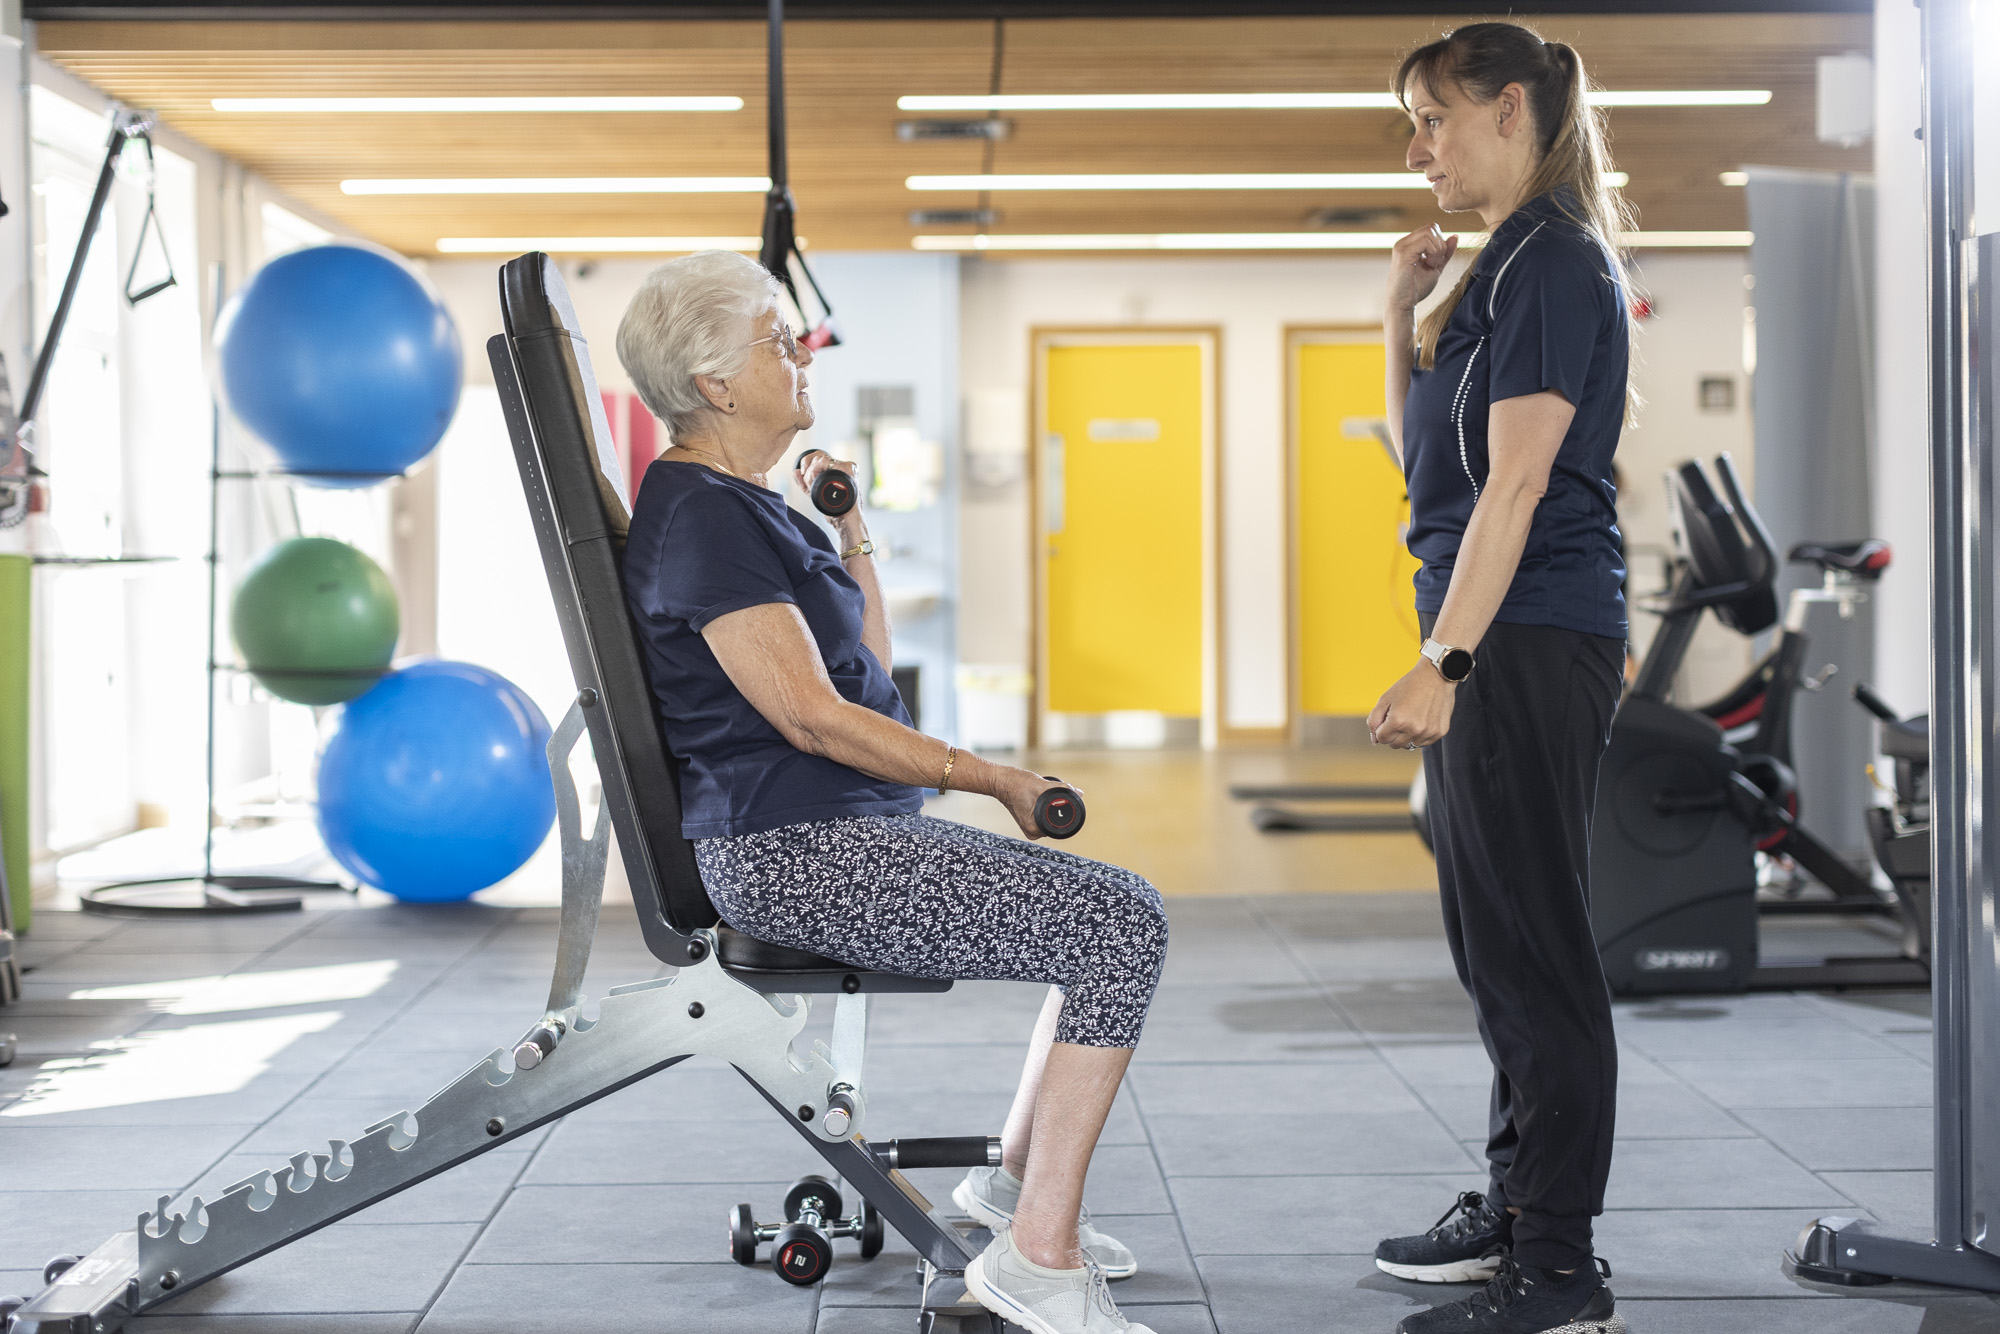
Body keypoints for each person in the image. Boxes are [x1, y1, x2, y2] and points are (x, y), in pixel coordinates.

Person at [614, 249, 1169, 1334]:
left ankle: (1014, 1199)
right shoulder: (705, 520)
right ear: (714, 383)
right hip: (795, 853)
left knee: (1105, 923)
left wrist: (847, 522)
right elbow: (814, 717)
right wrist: (996, 777)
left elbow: (864, 658)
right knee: (1117, 926)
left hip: (826, 832)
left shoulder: (744, 505)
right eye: (777, 336)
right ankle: (1037, 1258)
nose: (800, 347)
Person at [1364, 22, 1632, 1334]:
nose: (1419, 148)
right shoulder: (1499, 269)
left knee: (1535, 950)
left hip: (1521, 636)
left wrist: (1444, 659)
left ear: (1509, 110)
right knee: (1496, 942)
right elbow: (1429, 470)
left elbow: (1519, 483)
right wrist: (1398, 312)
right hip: (1498, 628)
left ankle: (1558, 1265)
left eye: (1433, 119)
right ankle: (1519, 1202)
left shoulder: (1552, 262)